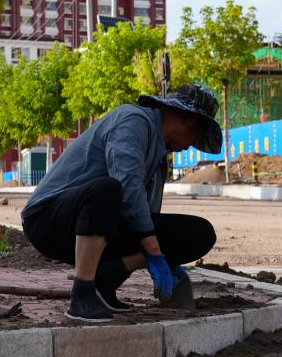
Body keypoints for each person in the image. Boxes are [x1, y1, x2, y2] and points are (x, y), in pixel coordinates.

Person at [21, 84, 222, 322]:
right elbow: (126, 186)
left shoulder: (159, 157)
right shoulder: (133, 121)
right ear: (187, 119)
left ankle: (106, 279)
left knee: (198, 233)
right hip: (50, 221)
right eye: (196, 136)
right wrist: (156, 255)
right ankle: (82, 295)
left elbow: (143, 216)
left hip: (100, 223)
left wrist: (169, 258)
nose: (191, 145)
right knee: (108, 188)